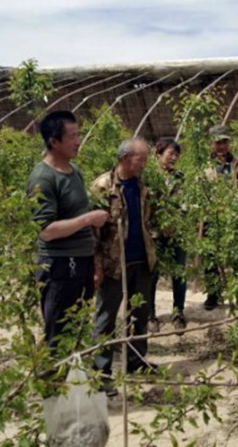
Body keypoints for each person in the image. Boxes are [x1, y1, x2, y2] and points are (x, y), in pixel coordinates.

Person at [27, 110, 109, 346]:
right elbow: (46, 231)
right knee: (59, 334)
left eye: (78, 134)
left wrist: (92, 263)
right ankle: (52, 381)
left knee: (78, 329)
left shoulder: (75, 173)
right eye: (72, 136)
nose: (78, 141)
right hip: (60, 267)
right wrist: (89, 219)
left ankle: (73, 381)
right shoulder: (43, 179)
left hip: (80, 262)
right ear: (53, 142)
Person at [91, 137, 157, 380]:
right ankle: (101, 372)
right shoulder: (103, 186)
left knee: (139, 314)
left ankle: (136, 362)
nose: (144, 165)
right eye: (141, 160)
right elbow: (93, 235)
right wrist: (96, 267)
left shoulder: (142, 184)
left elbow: (148, 218)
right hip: (113, 265)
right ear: (125, 159)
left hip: (141, 262)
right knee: (106, 319)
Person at [202, 124, 238, 310]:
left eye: (225, 142)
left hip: (235, 216)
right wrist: (213, 207)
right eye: (218, 142)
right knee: (211, 259)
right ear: (211, 144)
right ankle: (213, 294)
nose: (222, 146)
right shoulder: (204, 166)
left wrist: (232, 208)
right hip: (212, 217)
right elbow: (202, 190)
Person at [147, 139, 187, 332]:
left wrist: (174, 223)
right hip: (154, 233)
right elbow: (146, 206)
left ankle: (178, 312)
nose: (174, 158)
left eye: (176, 155)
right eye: (170, 153)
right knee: (152, 274)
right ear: (159, 154)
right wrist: (158, 224)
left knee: (179, 273)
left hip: (176, 232)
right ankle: (150, 314)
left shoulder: (180, 176)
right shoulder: (149, 177)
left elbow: (185, 203)